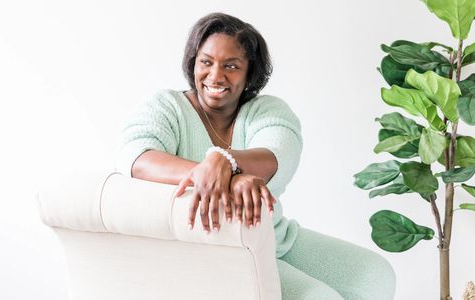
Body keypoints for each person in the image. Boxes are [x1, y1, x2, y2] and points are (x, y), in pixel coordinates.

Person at [115, 12, 395, 300]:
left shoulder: (267, 110)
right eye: (206, 62)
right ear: (193, 63)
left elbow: (277, 157)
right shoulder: (166, 106)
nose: (215, 75)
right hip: (210, 249)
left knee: (374, 276)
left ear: (250, 72)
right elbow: (136, 157)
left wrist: (224, 161)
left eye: (231, 66)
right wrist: (212, 175)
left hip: (272, 237)